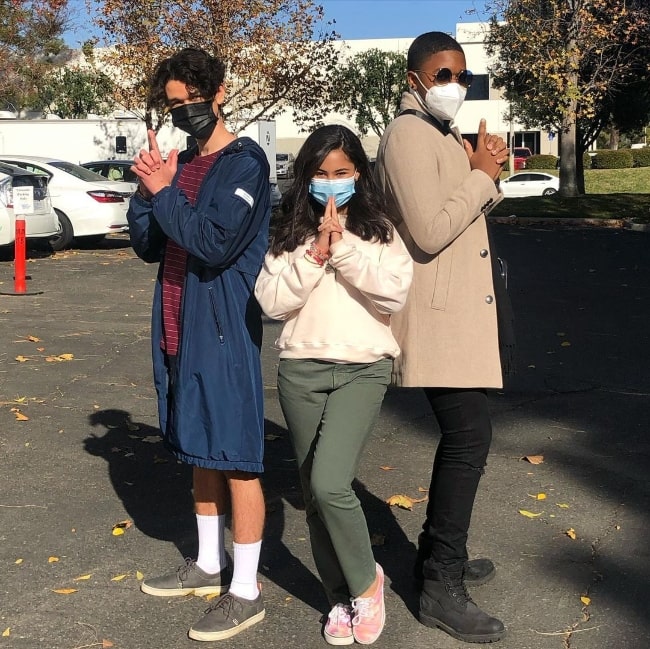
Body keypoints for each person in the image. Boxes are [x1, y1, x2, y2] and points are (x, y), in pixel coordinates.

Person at [126, 48, 270, 642]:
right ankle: (209, 565)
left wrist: (164, 193)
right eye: (173, 105)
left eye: (190, 103)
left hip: (223, 328)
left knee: (236, 458)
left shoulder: (246, 164)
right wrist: (145, 192)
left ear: (219, 93)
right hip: (178, 325)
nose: (182, 114)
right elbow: (150, 246)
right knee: (199, 451)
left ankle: (246, 590)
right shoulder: (181, 165)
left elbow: (213, 242)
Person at [374, 31, 513, 644]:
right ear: (413, 79)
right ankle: (438, 585)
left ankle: (435, 559)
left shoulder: (437, 134)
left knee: (466, 435)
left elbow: (462, 210)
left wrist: (486, 169)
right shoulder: (406, 134)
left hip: (458, 310)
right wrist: (480, 176)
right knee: (467, 436)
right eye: (440, 74)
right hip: (435, 315)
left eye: (459, 74)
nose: (452, 84)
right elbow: (430, 231)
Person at [254, 125, 413, 646]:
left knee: (330, 482)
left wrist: (340, 249)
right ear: (305, 178)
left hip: (361, 370)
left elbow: (391, 296)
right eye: (320, 174)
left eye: (341, 173)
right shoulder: (287, 231)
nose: (330, 183)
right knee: (314, 494)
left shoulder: (382, 231)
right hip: (300, 371)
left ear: (358, 174)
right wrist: (314, 252)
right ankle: (338, 597)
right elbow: (273, 303)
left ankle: (368, 584)